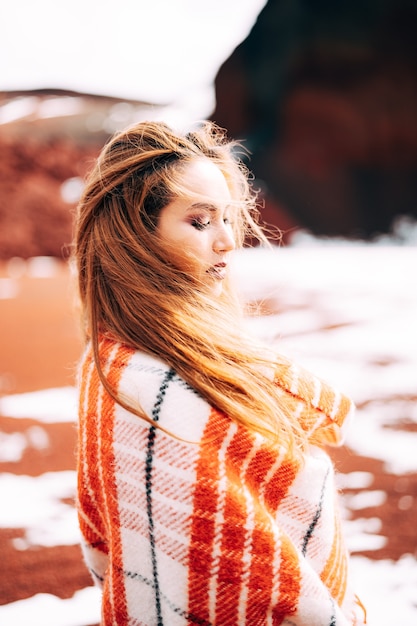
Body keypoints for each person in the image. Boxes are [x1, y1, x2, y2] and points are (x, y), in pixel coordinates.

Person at [73, 120, 366, 625]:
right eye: (201, 221)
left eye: (229, 217)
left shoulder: (180, 361)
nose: (229, 242)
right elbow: (244, 572)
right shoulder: (146, 387)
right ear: (136, 235)